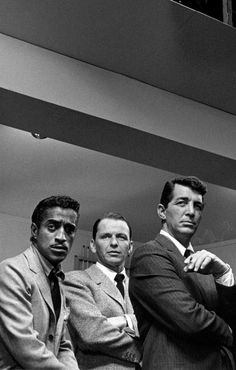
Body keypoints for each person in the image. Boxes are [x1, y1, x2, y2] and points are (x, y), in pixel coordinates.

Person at [129, 176, 236, 370]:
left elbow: (230, 313)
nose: (191, 212)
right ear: (162, 211)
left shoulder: (204, 262)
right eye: (182, 203)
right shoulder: (150, 254)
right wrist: (229, 330)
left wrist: (223, 273)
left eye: (198, 206)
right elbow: (189, 319)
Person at [0, 195, 80, 370]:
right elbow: (27, 349)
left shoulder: (57, 278)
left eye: (69, 229)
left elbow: (63, 344)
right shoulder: (11, 271)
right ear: (35, 231)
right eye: (52, 227)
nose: (61, 236)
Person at [64, 212, 141, 370]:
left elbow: (157, 331)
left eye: (121, 237)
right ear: (93, 245)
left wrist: (115, 322)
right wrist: (130, 321)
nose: (113, 243)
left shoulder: (142, 287)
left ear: (130, 247)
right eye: (105, 236)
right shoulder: (75, 280)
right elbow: (93, 333)